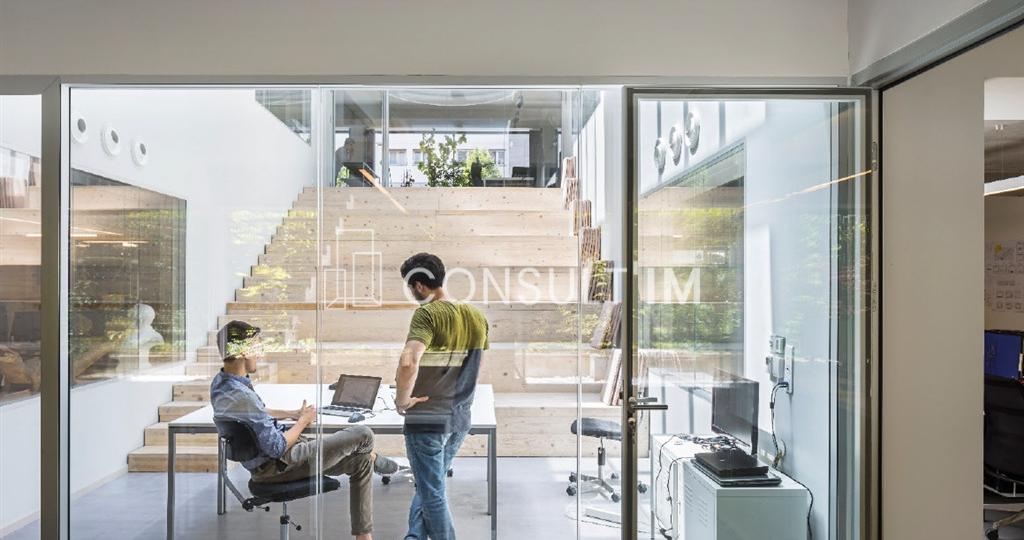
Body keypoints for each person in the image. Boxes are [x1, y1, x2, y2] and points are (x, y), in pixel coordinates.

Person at [210, 320, 398, 540]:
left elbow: (256, 412)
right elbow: (277, 447)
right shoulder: (243, 397)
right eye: (256, 347)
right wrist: (303, 421)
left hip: (272, 465)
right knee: (364, 434)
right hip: (281, 465)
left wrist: (291, 413)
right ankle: (376, 457)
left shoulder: (223, 384)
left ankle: (363, 536)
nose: (259, 353)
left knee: (362, 462)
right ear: (242, 351)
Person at [395, 253, 489, 540]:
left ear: (420, 285)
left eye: (411, 288)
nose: (412, 294)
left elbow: (409, 361)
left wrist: (402, 400)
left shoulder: (428, 313)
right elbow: (475, 366)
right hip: (459, 416)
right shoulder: (476, 315)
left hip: (428, 419)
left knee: (432, 491)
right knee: (427, 487)